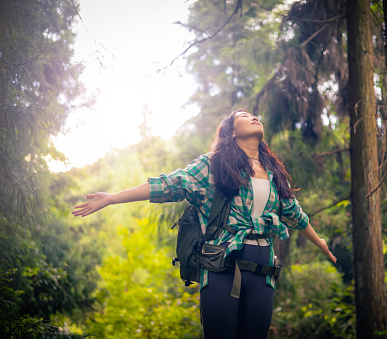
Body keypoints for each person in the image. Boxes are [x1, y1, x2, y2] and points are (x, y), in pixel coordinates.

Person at [72, 109, 336, 339]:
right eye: (243, 116)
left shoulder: (274, 172)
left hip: (263, 270)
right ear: (231, 132)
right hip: (221, 267)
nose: (253, 117)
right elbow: (168, 185)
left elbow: (294, 213)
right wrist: (112, 198)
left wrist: (320, 242)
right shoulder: (213, 165)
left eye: (254, 115)